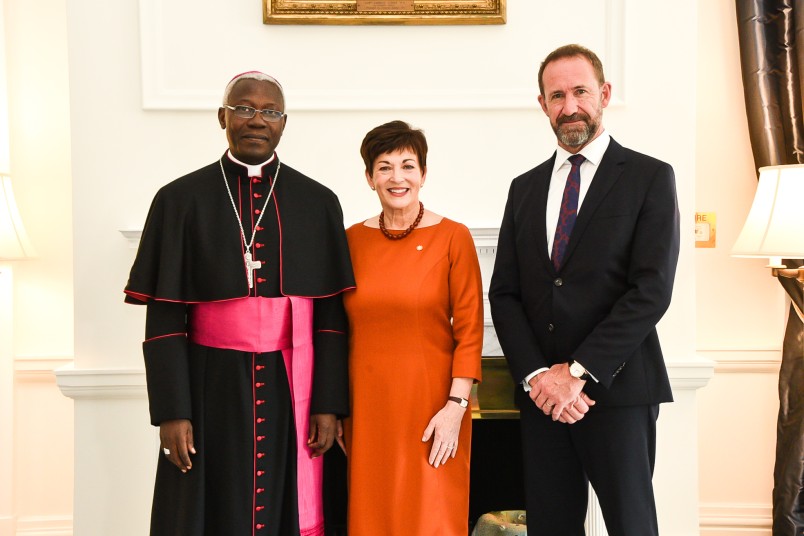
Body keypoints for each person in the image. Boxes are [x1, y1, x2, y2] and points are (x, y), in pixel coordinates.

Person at [124, 71, 355, 536]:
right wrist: (172, 410)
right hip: (211, 384)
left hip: (292, 383)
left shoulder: (318, 202)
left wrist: (327, 403)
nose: (256, 120)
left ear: (283, 123)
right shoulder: (179, 200)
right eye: (244, 108)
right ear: (222, 117)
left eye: (269, 111)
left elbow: (330, 318)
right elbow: (165, 319)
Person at [489, 44, 680, 535]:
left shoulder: (649, 177)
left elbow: (651, 290)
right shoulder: (523, 188)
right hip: (542, 400)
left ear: (604, 94)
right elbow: (504, 294)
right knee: (551, 526)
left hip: (617, 390)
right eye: (557, 95)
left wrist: (576, 373)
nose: (569, 106)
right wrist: (537, 377)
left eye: (580, 92)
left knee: (631, 524)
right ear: (542, 104)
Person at [342, 120, 483, 535]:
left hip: (434, 409)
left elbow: (470, 329)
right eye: (384, 167)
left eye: (407, 165)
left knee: (430, 517)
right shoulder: (349, 241)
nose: (397, 177)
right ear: (369, 178)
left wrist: (456, 408)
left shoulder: (454, 237)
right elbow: (334, 329)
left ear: (423, 173)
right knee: (372, 518)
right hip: (366, 410)